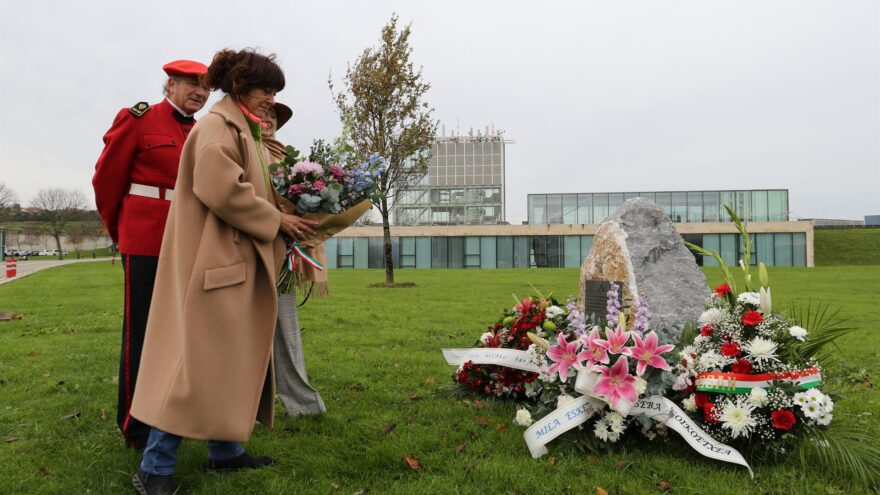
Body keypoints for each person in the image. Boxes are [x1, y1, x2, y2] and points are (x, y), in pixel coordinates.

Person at [128, 48, 318, 495]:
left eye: (275, 91)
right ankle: (153, 469)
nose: (272, 98)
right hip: (214, 267)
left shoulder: (242, 128)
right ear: (240, 88)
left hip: (230, 263)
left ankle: (225, 453)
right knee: (191, 369)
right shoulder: (218, 128)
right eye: (266, 89)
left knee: (228, 361)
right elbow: (224, 191)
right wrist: (279, 220)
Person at [92, 59, 209, 451]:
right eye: (192, 84)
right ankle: (136, 426)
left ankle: (175, 414)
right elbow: (107, 180)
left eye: (206, 88)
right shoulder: (138, 118)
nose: (200, 92)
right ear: (170, 85)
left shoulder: (204, 132)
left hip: (189, 240)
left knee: (185, 333)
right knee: (141, 333)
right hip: (146, 241)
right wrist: (119, 231)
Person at [262, 103, 328, 417]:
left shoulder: (287, 156)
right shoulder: (244, 149)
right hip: (249, 246)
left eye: (273, 117)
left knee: (284, 325)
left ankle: (301, 403)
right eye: (262, 114)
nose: (267, 120)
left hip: (283, 250)